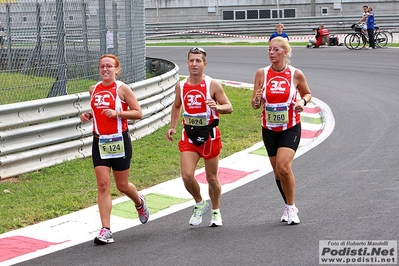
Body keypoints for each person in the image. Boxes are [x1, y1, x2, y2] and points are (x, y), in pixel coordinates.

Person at [80, 54, 149, 245]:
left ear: (116, 69)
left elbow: (138, 113)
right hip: (100, 142)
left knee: (122, 186)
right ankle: (106, 230)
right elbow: (97, 112)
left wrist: (118, 113)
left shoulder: (122, 89)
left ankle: (139, 202)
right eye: (102, 66)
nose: (105, 69)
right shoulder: (93, 89)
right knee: (103, 185)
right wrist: (87, 116)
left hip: (119, 141)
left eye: (109, 66)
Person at [166, 47, 233, 227]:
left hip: (209, 136)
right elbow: (176, 106)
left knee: (211, 178)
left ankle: (216, 210)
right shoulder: (181, 86)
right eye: (191, 60)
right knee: (187, 176)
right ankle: (199, 203)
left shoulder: (212, 85)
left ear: (205, 64)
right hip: (189, 135)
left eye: (198, 61)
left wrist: (217, 108)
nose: (194, 64)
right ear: (187, 63)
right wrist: (172, 126)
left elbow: (229, 106)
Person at [251, 37, 312, 225]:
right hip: (269, 128)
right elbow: (254, 104)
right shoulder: (261, 73)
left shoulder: (296, 74)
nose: (271, 53)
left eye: (276, 50)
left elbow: (307, 93)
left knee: (284, 167)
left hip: (290, 126)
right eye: (269, 50)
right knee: (277, 172)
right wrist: (257, 99)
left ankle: (291, 208)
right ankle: (287, 205)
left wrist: (302, 102)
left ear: (285, 52)